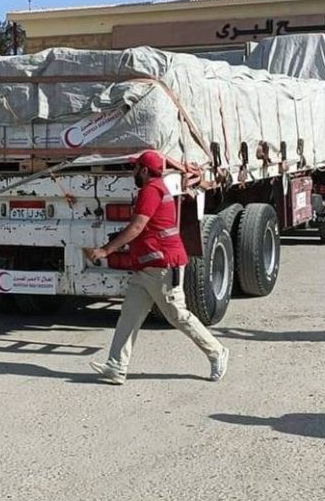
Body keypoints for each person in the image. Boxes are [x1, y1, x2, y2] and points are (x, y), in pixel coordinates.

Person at [86, 151, 230, 385]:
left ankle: (217, 352)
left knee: (177, 315)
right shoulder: (153, 188)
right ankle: (116, 366)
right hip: (147, 267)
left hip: (163, 266)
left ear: (144, 170)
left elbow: (137, 227)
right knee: (129, 316)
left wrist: (106, 250)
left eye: (134, 168)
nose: (132, 172)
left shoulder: (151, 190)